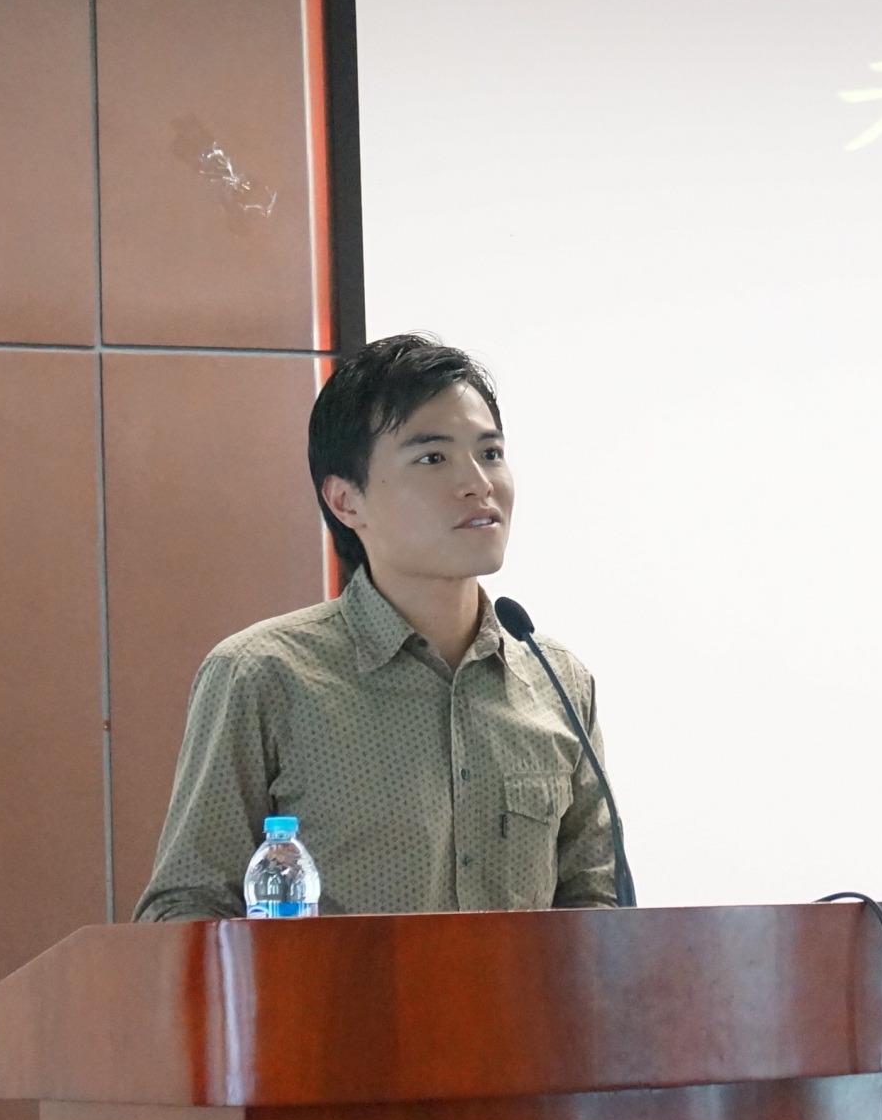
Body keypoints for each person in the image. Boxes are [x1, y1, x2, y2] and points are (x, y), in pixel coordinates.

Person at [134, 334, 620, 919]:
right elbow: (185, 908)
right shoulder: (263, 675)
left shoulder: (557, 681)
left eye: (490, 452)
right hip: (332, 987)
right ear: (346, 501)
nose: (478, 483)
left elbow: (596, 905)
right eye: (433, 458)